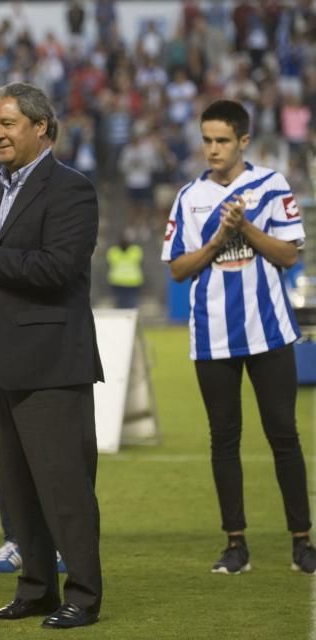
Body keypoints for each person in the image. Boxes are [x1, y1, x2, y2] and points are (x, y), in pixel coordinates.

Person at [0, 82, 103, 629]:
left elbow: (58, 269)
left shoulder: (72, 190)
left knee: (65, 488)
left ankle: (82, 594)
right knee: (19, 488)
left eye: (7, 124)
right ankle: (36, 588)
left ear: (41, 127)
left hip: (54, 361)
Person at [161, 98, 316, 576]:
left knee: (283, 435)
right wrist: (214, 240)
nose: (212, 149)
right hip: (212, 337)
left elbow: (289, 256)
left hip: (269, 331)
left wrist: (243, 225)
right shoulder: (189, 197)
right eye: (207, 140)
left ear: (243, 141)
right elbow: (179, 269)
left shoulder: (271, 185)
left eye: (222, 141)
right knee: (223, 440)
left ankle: (302, 540)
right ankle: (235, 544)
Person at [106, 231, 144, 309]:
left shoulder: (113, 251)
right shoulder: (135, 250)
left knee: (126, 304)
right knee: (125, 304)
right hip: (126, 281)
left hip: (125, 281)